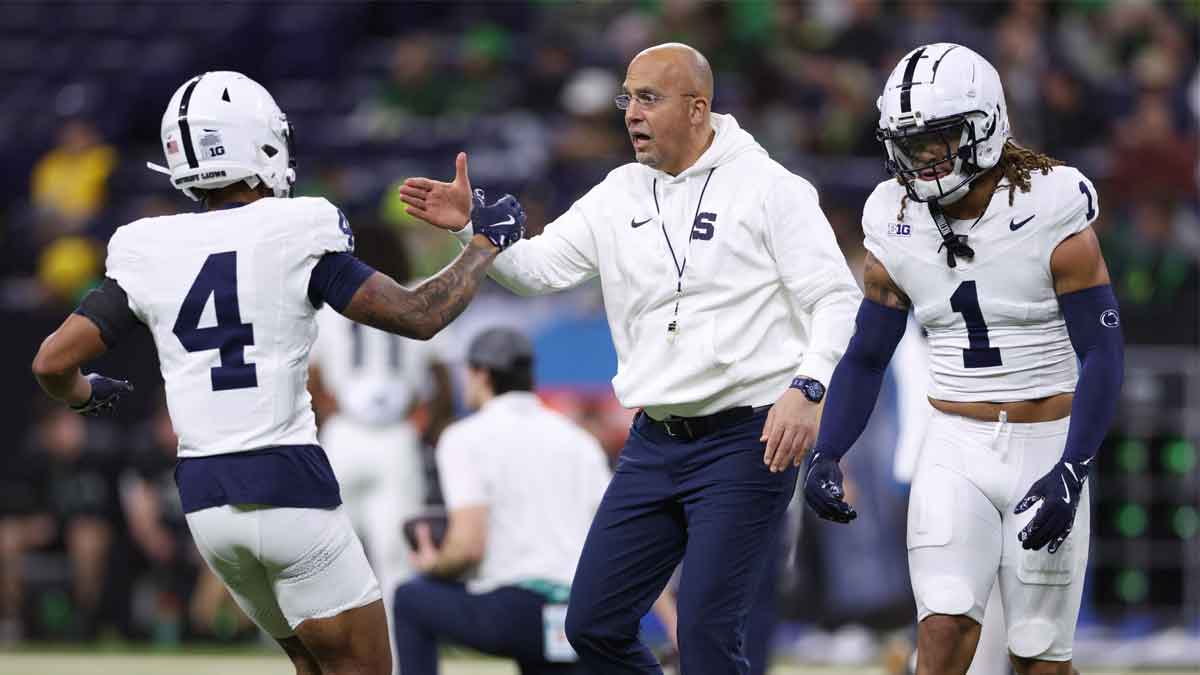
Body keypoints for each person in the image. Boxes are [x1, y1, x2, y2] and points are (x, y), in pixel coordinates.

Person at [30, 71, 525, 675]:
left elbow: (52, 362)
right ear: (258, 144)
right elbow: (421, 316)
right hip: (286, 484)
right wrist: (485, 242)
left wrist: (84, 397)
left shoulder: (146, 245)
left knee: (313, 664)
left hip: (207, 503)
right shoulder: (297, 229)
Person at [399, 43, 861, 674]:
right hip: (656, 440)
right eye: (627, 97)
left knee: (704, 633)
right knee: (591, 625)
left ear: (698, 109)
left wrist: (808, 388)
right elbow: (537, 269)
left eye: (648, 97)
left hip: (748, 437)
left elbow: (837, 297)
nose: (630, 113)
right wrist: (470, 229)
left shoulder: (772, 189)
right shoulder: (619, 192)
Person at [802, 44, 1123, 675]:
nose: (920, 157)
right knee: (943, 630)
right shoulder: (892, 217)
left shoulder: (1050, 205)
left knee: (1037, 652)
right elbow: (868, 356)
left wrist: (1073, 466)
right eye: (908, 141)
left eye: (936, 139)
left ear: (984, 127)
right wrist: (828, 449)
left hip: (1046, 439)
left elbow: (1104, 351)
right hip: (954, 443)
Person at [391, 327, 612, 675]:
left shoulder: (465, 437)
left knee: (410, 599)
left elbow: (468, 547)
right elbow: (616, 535)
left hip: (516, 610)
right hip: (578, 615)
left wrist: (432, 563)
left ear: (481, 374)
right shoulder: (578, 440)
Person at [308, 224, 454, 624]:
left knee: (332, 552)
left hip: (345, 434)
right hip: (396, 435)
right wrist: (426, 422)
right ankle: (399, 652)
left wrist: (327, 412)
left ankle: (335, 649)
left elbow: (313, 377)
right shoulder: (418, 294)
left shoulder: (330, 303)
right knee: (396, 553)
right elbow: (441, 378)